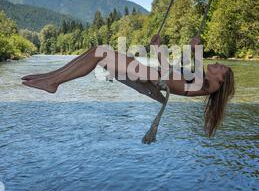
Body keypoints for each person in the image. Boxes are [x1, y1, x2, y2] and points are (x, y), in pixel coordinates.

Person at [21, 35, 235, 137]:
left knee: (99, 53)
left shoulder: (209, 87)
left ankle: (52, 81)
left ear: (222, 81)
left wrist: (194, 49)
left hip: (147, 76)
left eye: (221, 67)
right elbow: (171, 70)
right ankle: (51, 77)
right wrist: (158, 48)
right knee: (97, 51)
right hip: (150, 74)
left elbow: (188, 74)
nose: (216, 63)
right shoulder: (202, 82)